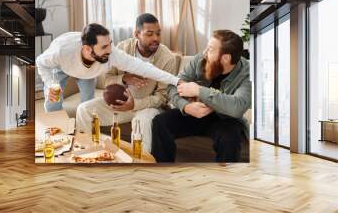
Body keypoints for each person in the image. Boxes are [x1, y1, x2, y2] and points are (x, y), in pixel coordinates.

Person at [76, 13, 178, 153]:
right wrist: (124, 78)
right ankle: (87, 154)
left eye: (158, 33)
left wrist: (134, 104)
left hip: (147, 107)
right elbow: (106, 80)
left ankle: (140, 166)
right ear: (137, 33)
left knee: (142, 121)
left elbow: (162, 97)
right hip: (119, 103)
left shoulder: (167, 58)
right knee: (84, 110)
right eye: (149, 34)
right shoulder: (121, 49)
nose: (155, 38)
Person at [151, 30, 251, 162]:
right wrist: (186, 107)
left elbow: (238, 106)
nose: (204, 52)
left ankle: (226, 179)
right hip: (195, 113)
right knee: (160, 122)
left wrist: (199, 90)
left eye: (210, 49)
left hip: (226, 119)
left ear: (225, 58)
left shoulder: (247, 72)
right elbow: (172, 85)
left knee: (230, 137)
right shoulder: (200, 60)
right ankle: (163, 174)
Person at [36, 23, 180, 112]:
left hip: (88, 73)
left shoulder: (112, 54)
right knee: (53, 103)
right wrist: (50, 84)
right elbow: (41, 63)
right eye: (104, 47)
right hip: (63, 67)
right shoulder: (61, 51)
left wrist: (176, 81)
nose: (110, 50)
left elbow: (144, 68)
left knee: (87, 106)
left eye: (110, 43)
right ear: (87, 49)